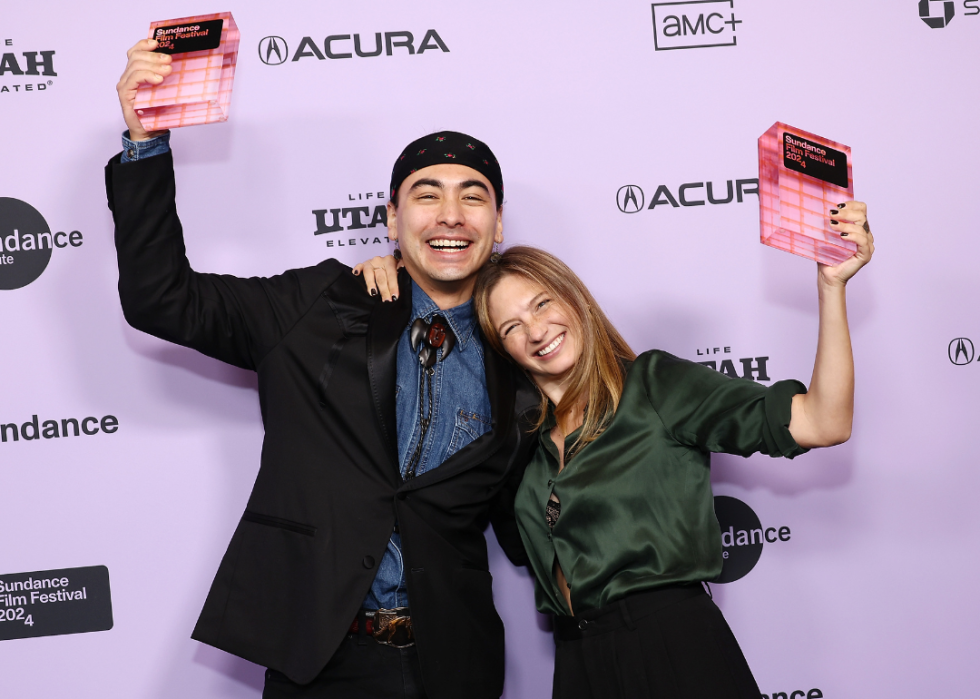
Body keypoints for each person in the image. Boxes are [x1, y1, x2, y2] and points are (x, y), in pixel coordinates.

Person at [108, 38, 542, 699]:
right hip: (321, 660)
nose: (451, 215)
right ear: (392, 218)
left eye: (473, 196)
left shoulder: (525, 352)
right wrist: (146, 140)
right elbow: (163, 300)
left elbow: (534, 515)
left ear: (498, 221)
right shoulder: (317, 303)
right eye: (427, 194)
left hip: (456, 664)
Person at [460, 213, 873, 699]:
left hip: (672, 647)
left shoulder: (653, 385)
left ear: (573, 298)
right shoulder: (523, 446)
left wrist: (831, 287)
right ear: (501, 347)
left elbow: (823, 422)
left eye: (542, 303)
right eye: (512, 326)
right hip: (577, 663)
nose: (535, 330)